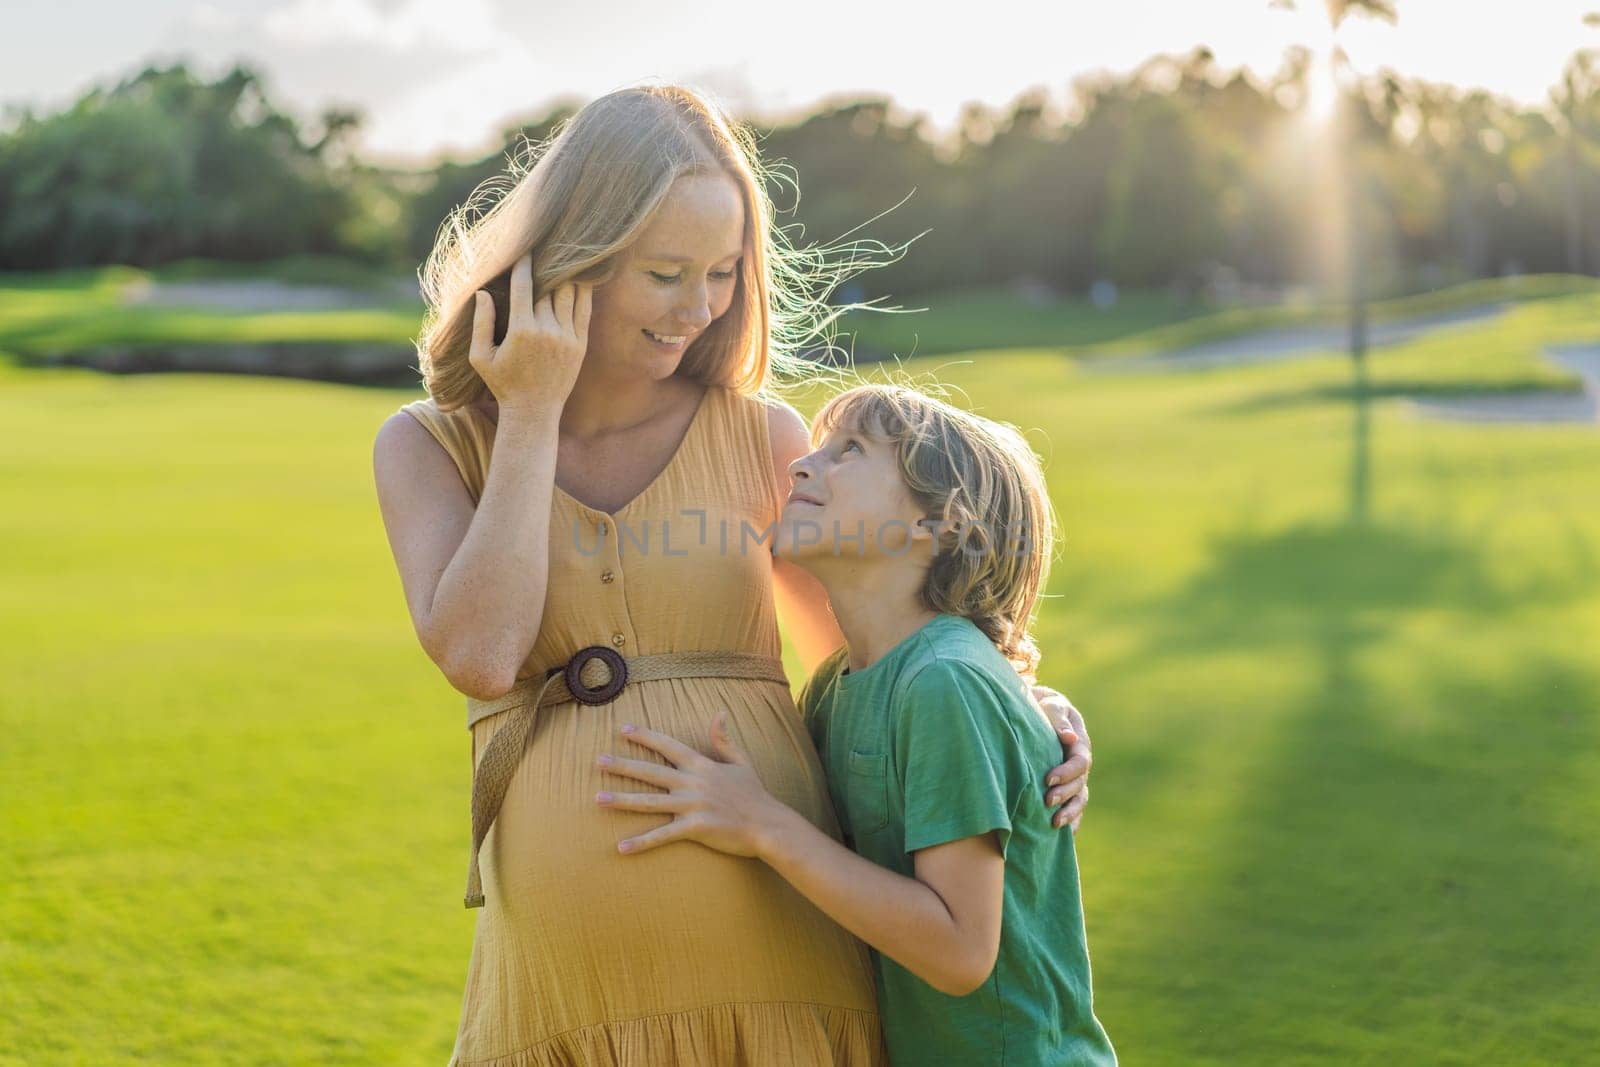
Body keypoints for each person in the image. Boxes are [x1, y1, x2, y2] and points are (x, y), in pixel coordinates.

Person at [372, 84, 1095, 1065]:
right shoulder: (428, 445)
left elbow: (881, 653)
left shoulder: (765, 438)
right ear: (574, 258)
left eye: (722, 271)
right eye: (666, 271)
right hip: (562, 984)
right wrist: (530, 411)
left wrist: (1023, 710)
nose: (700, 307)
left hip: (782, 962)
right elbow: (482, 652)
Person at [594, 383, 1117, 1065]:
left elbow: (961, 950)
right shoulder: (836, 689)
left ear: (939, 522)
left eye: (851, 451)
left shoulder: (946, 683)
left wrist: (763, 826)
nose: (802, 465)